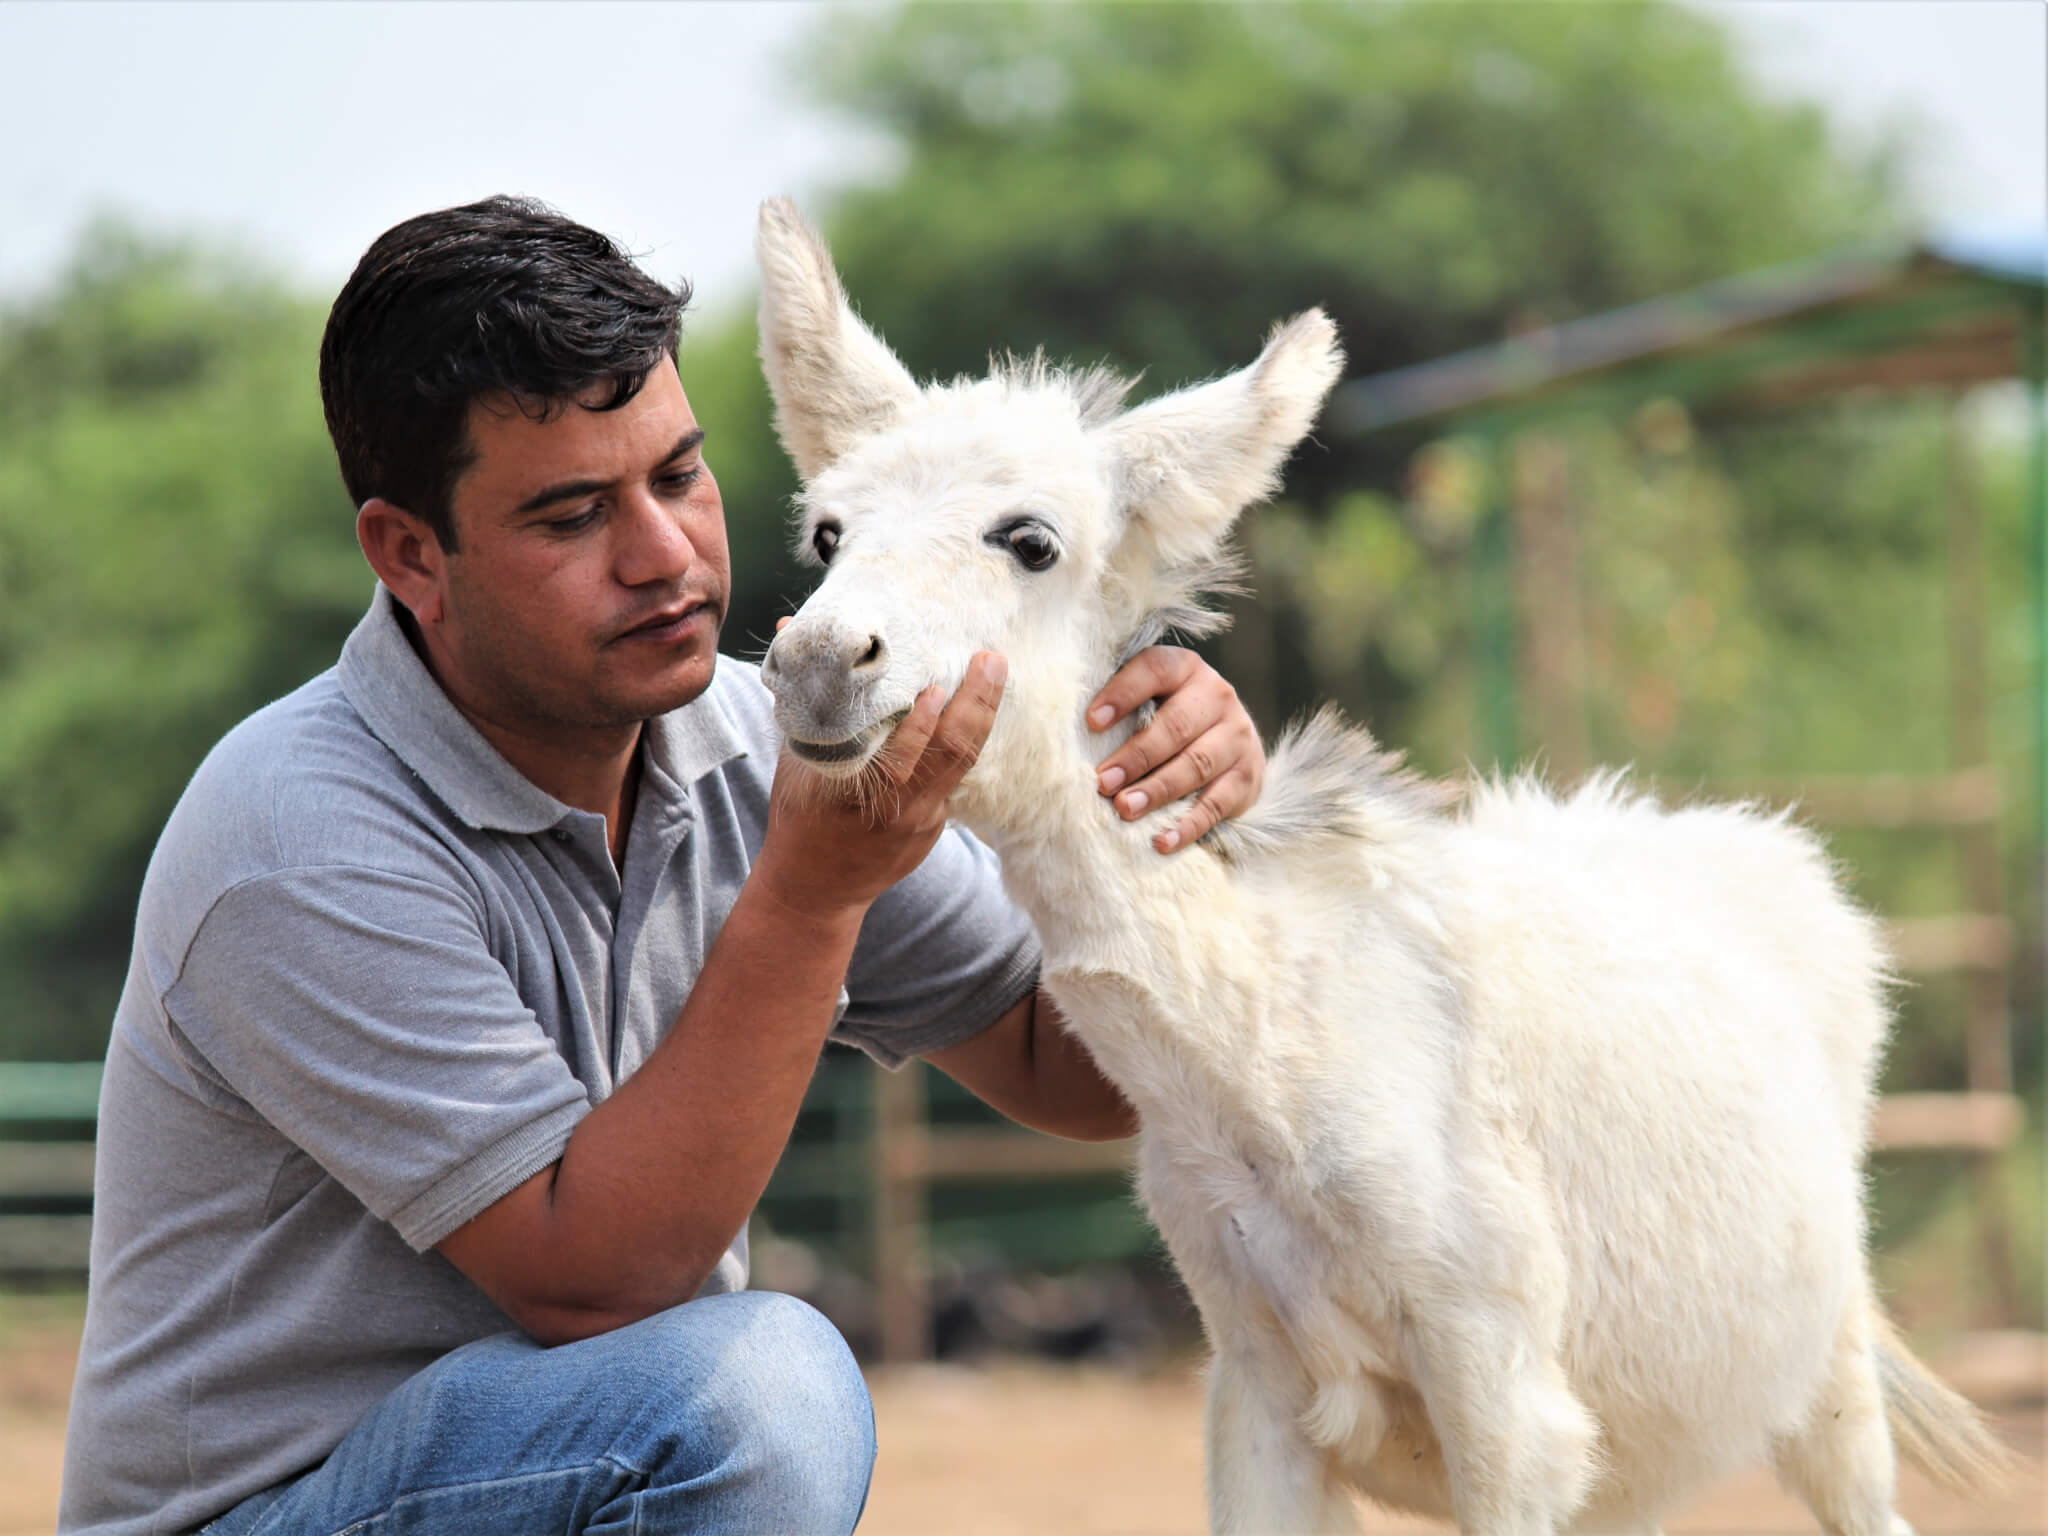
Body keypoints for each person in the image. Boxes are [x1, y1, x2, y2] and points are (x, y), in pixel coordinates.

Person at [59, 196, 1266, 1535]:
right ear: (412, 555)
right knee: (757, 1399)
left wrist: (1155, 820)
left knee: (739, 1394)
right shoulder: (295, 834)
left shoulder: (754, 735)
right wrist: (812, 897)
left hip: (552, 1463)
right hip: (269, 1509)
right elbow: (594, 1287)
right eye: (574, 515)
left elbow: (1077, 1072)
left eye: (678, 476)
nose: (666, 555)